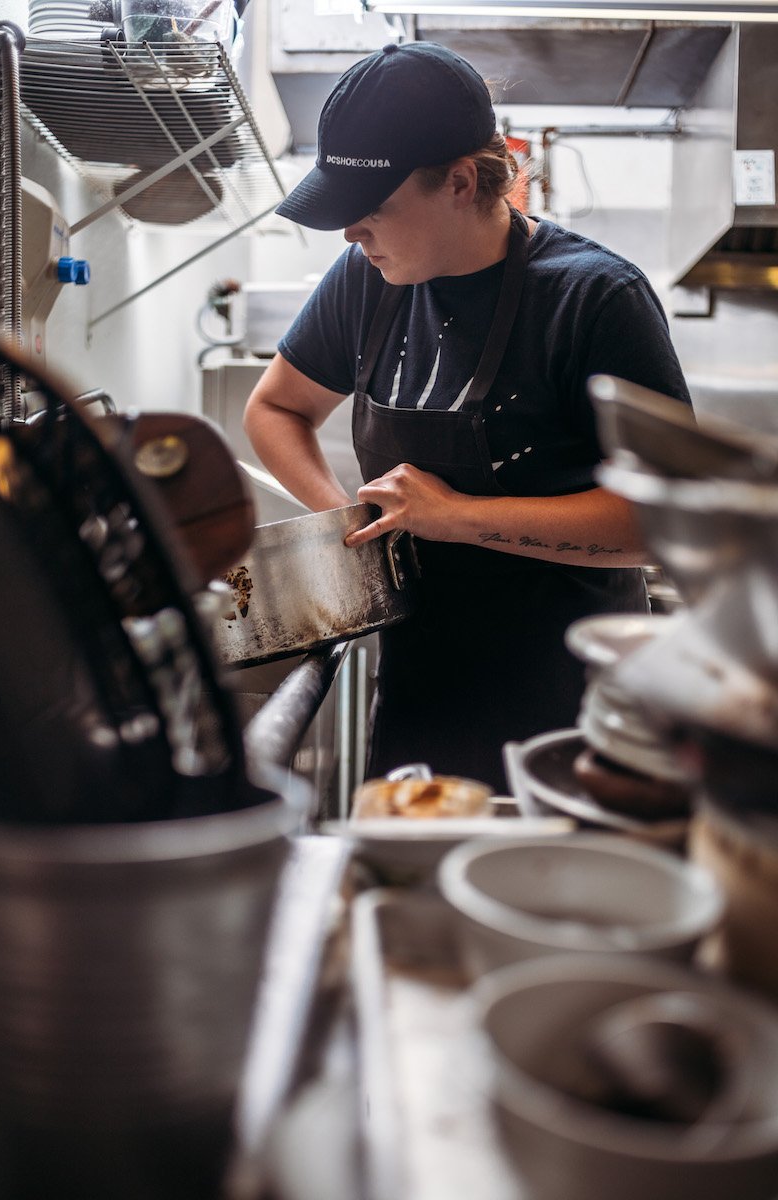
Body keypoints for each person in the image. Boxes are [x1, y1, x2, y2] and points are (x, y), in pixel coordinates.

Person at [243, 40, 692, 794]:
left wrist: (456, 516)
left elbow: (664, 523)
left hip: (572, 708)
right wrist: (350, 531)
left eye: (373, 211)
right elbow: (277, 408)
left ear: (458, 183)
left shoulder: (595, 300)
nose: (352, 233)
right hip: (423, 697)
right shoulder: (365, 280)